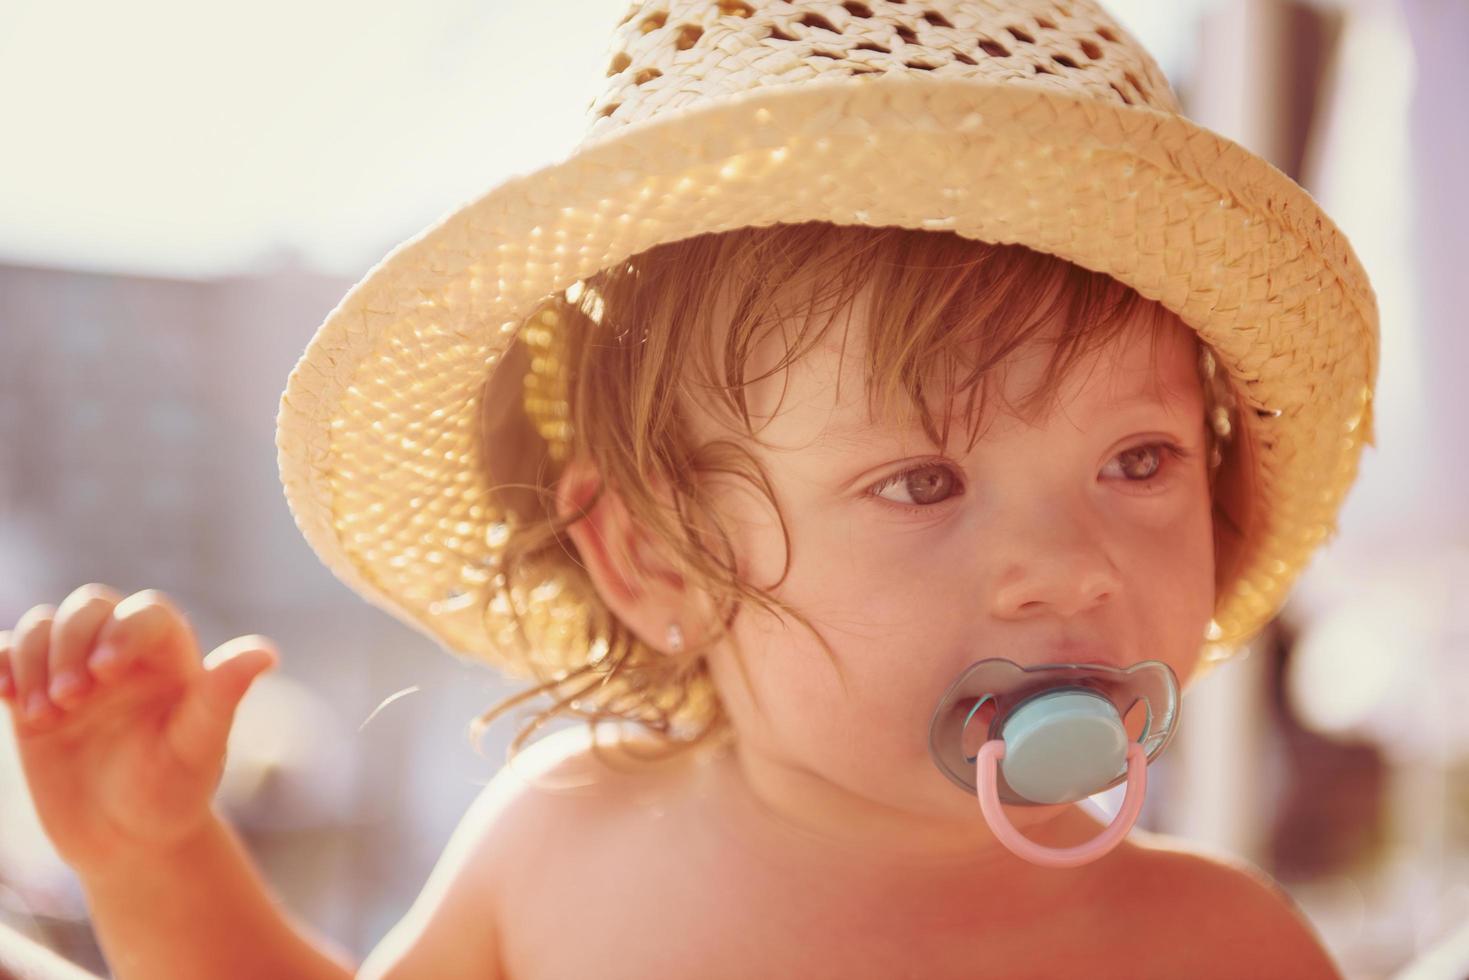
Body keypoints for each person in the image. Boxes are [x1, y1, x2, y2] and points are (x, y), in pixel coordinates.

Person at [0, 0, 1378, 976]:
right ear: (654, 561)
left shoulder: (1222, 946)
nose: (1066, 565)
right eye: (919, 480)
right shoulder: (567, 842)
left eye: (1134, 463)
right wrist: (155, 860)